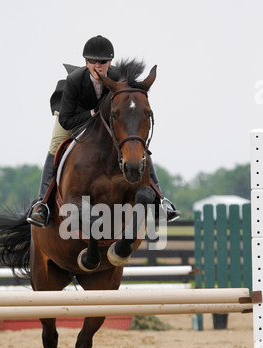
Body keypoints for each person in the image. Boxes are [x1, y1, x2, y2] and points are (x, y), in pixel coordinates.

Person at [27, 35, 180, 227]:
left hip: (105, 118)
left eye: (103, 62)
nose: (98, 66)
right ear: (86, 62)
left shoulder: (118, 78)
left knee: (134, 143)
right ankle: (42, 204)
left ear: (110, 63)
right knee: (56, 145)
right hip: (73, 117)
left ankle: (160, 200)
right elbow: (66, 120)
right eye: (92, 61)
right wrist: (92, 113)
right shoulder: (74, 80)